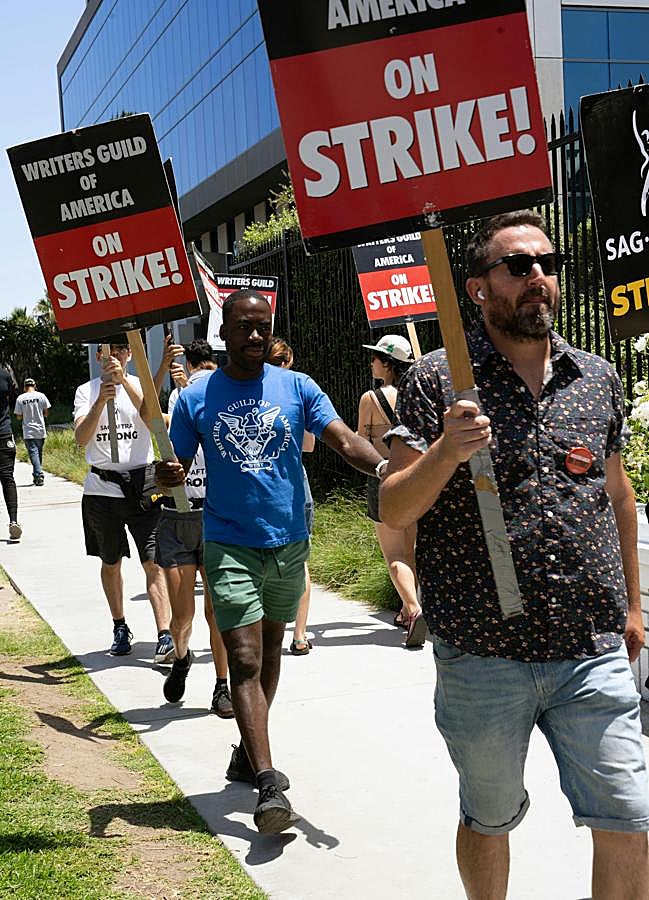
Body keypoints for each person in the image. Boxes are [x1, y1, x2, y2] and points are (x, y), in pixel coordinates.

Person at [380, 210, 649, 899]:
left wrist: (633, 605)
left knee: (627, 814)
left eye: (545, 263)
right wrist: (446, 449)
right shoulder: (438, 381)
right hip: (482, 653)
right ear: (477, 289)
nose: (537, 276)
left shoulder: (595, 378)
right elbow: (395, 510)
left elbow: (617, 498)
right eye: (517, 266)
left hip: (589, 645)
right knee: (490, 816)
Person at [157, 290, 384, 835]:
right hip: (228, 542)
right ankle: (268, 782)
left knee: (272, 649)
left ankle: (246, 751)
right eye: (244, 328)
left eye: (263, 328)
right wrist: (165, 475)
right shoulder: (196, 397)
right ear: (224, 333)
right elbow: (177, 465)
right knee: (245, 655)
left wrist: (387, 474)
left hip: (289, 541)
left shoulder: (297, 386)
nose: (255, 337)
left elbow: (345, 441)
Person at [73, 336, 172, 662]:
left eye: (122, 349)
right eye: (110, 349)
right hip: (102, 490)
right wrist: (101, 400)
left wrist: (126, 385)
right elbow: (80, 439)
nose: (116, 355)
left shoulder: (139, 386)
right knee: (111, 561)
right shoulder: (86, 391)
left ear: (130, 354)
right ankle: (119, 625)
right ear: (100, 353)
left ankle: (165, 634)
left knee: (154, 561)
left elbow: (152, 421)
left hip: (143, 484)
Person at [152, 338, 234, 718]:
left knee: (217, 611)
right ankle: (182, 657)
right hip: (177, 516)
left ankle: (222, 686)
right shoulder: (174, 404)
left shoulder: (227, 407)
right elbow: (146, 412)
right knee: (181, 616)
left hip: (213, 516)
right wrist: (160, 367)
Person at [357, 334, 426, 648]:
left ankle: (413, 610)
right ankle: (404, 608)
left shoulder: (370, 398)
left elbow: (360, 442)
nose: (371, 361)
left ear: (387, 363)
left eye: (375, 357)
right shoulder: (418, 393)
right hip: (414, 475)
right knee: (410, 550)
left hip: (383, 476)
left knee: (393, 553)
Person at [267, 336, 315, 656]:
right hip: (295, 487)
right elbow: (309, 445)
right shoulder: (297, 393)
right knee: (300, 563)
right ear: (288, 363)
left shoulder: (250, 393)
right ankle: (299, 635)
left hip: (261, 492)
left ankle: (267, 631)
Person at [14, 377, 51, 486]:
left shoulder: (20, 399)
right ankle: (37, 475)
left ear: (25, 387)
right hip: (40, 429)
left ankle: (39, 475)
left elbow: (19, 417)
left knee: (33, 453)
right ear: (34, 386)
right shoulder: (41, 396)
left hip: (28, 431)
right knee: (38, 453)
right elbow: (46, 413)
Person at [0, 363, 20, 541]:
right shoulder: (4, 374)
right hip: (3, 434)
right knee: (7, 478)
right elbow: (14, 395)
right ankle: (13, 521)